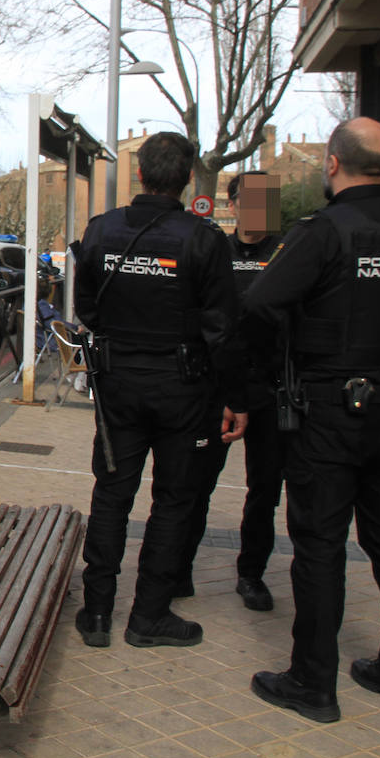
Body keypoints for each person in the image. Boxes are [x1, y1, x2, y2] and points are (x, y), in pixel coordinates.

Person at [244, 117, 380, 723]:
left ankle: (313, 684)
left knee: (319, 546)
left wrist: (281, 365)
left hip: (329, 414)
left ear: (333, 165)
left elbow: (260, 302)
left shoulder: (323, 232)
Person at [73, 131, 248, 649]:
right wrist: (236, 398)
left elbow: (87, 308)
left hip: (119, 385)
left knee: (111, 495)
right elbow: (223, 329)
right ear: (188, 177)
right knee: (173, 501)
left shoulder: (102, 232)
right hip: (183, 390)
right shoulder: (204, 239)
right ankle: (147, 615)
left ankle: (98, 612)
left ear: (139, 174)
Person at [177, 171, 286, 611]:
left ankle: (251, 574)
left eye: (267, 199)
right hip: (219, 390)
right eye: (249, 199)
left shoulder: (289, 251)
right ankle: (179, 568)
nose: (258, 208)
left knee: (265, 489)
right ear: (233, 203)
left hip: (271, 390)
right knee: (197, 483)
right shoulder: (215, 248)